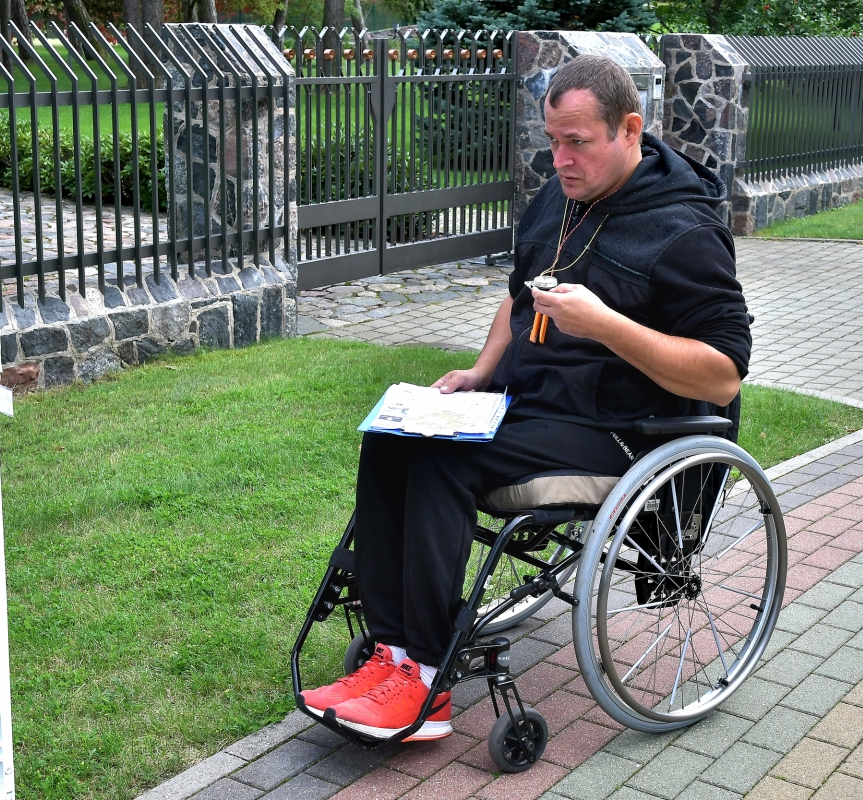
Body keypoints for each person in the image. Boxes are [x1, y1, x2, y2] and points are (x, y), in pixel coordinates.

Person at [299, 54, 752, 742]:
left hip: (621, 430)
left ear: (630, 130)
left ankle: (426, 680)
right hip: (531, 406)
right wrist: (480, 372)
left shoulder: (684, 231)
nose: (561, 159)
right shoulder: (558, 198)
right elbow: (520, 299)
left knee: (444, 460)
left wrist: (605, 324)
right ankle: (391, 652)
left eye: (578, 142)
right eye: (553, 140)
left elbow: (722, 376)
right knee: (392, 435)